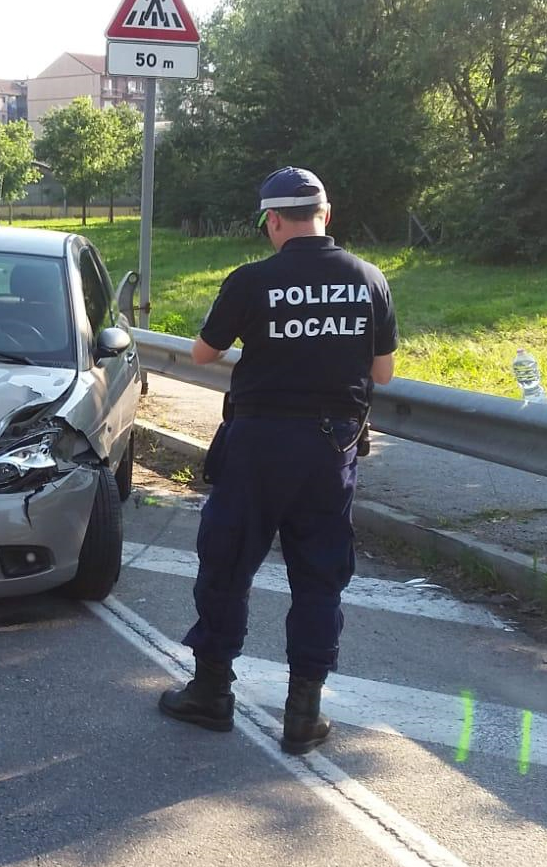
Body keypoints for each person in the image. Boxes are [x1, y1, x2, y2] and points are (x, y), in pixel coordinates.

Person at [158, 166, 397, 755]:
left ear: (271, 220)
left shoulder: (251, 280)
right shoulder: (369, 279)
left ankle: (211, 692)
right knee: (319, 576)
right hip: (331, 449)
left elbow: (203, 351)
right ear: (327, 214)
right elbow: (383, 372)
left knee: (227, 564)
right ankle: (303, 714)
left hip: (259, 445)